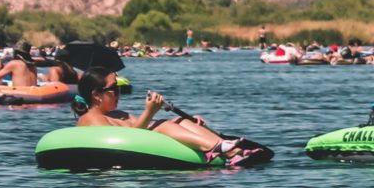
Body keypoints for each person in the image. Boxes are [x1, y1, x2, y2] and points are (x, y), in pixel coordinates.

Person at [72, 71, 250, 163]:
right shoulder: (91, 119)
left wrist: (182, 122)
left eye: (120, 89)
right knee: (162, 125)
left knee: (180, 120)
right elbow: (128, 139)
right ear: (96, 95)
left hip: (143, 150)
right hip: (127, 159)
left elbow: (142, 126)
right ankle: (220, 148)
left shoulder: (117, 115)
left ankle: (228, 150)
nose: (119, 94)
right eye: (114, 89)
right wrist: (150, 111)